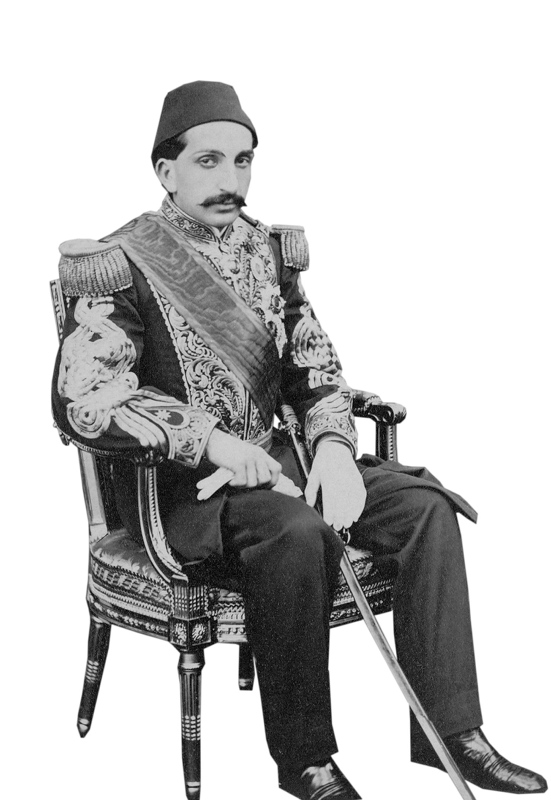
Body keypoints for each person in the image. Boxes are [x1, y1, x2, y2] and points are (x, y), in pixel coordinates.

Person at [51, 81, 547, 799]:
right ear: (166, 170)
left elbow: (312, 367)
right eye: (209, 161)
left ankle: (454, 734)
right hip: (182, 493)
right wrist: (212, 443)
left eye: (243, 161)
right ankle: (306, 761)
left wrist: (337, 452)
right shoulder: (121, 262)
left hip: (284, 458)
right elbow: (88, 398)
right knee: (295, 531)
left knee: (425, 508)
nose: (231, 180)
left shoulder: (267, 252)